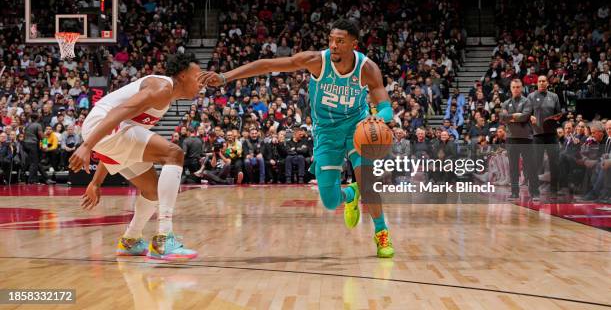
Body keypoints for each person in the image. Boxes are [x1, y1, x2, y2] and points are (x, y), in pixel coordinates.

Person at [201, 19, 395, 258]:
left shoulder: (368, 68)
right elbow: (267, 65)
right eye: (331, 40)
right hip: (326, 132)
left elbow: (385, 108)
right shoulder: (316, 61)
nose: (333, 45)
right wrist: (225, 77)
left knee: (368, 181)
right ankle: (351, 194)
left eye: (340, 41)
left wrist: (376, 120)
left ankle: (381, 232)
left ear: (353, 44)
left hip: (357, 128)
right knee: (331, 201)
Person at [73, 53, 202, 261]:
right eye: (198, 76)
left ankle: (131, 240)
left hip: (107, 130)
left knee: (152, 190)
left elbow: (120, 144)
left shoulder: (166, 98)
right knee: (174, 153)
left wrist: (96, 182)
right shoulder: (161, 88)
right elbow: (121, 111)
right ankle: (164, 239)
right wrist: (87, 145)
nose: (201, 83)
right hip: (102, 123)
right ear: (183, 76)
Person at [500, 79, 538, 200]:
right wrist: (514, 116)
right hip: (511, 138)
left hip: (526, 138)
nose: (516, 89)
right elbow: (502, 117)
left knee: (530, 166)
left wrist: (510, 118)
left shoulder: (527, 101)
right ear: (511, 89)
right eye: (514, 87)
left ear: (521, 88)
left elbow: (525, 116)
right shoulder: (506, 103)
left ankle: (535, 193)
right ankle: (514, 193)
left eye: (518, 87)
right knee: (513, 168)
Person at [528, 76, 562, 197]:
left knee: (554, 163)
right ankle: (534, 190)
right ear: (537, 83)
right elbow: (526, 114)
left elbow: (559, 113)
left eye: (544, 81)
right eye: (540, 81)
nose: (542, 83)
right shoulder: (531, 96)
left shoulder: (554, 96)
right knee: (536, 163)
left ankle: (553, 190)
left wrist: (557, 118)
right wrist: (529, 117)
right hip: (537, 135)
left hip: (552, 135)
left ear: (547, 83)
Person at [24, 113, 44, 184]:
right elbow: (42, 136)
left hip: (25, 144)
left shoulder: (27, 125)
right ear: (38, 118)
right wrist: (45, 145)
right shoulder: (38, 125)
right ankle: (31, 180)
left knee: (32, 162)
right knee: (34, 163)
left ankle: (34, 179)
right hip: (32, 144)